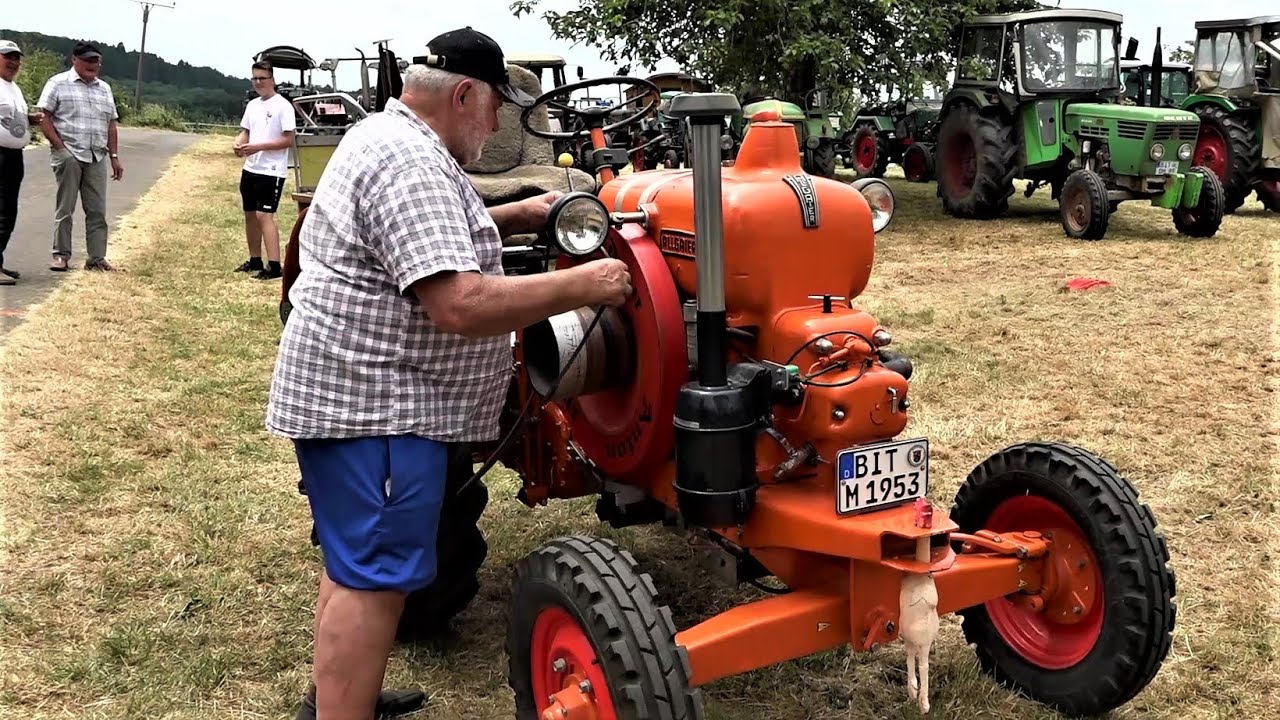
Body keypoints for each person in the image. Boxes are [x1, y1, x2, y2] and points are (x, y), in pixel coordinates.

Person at [265, 26, 632, 720]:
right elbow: (460, 305)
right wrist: (590, 284)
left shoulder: (390, 138)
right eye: (496, 110)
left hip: (366, 399)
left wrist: (518, 212)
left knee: (356, 569)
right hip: (376, 409)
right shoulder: (411, 164)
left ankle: (344, 699)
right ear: (464, 94)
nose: (496, 128)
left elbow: (422, 231)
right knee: (370, 579)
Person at [36, 41, 123, 272]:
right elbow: (44, 117)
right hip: (70, 153)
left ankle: (96, 258)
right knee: (65, 208)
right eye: (87, 60)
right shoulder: (58, 83)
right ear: (74, 60)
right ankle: (61, 256)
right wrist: (61, 149)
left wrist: (114, 156)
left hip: (96, 156)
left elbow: (111, 124)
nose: (92, 65)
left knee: (97, 210)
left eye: (96, 61)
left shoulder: (104, 88)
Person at [233, 60, 295, 280]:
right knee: (250, 213)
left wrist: (258, 147)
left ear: (272, 80)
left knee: (264, 215)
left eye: (262, 78)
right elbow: (246, 131)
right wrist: (239, 143)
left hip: (271, 170)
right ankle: (255, 259)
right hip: (251, 167)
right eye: (255, 78)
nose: (259, 82)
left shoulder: (283, 106)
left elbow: (288, 140)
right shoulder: (253, 105)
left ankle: (275, 265)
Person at [0, 39, 42, 285]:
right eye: (8, 57)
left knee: (8, 211)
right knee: (3, 212)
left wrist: (28, 119)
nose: (14, 62)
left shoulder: (12, 87)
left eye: (16, 58)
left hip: (14, 155)